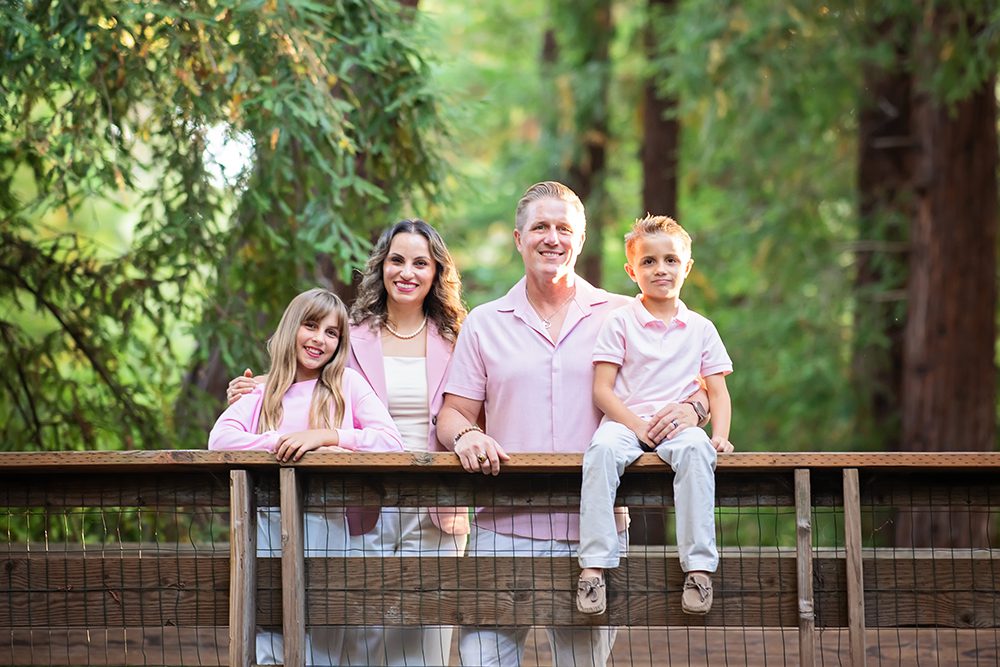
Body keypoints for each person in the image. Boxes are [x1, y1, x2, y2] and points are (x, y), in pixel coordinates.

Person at [435, 182, 710, 667]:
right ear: (519, 238)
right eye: (539, 227)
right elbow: (451, 413)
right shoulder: (484, 322)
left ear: (581, 240)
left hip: (595, 542)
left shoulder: (625, 314)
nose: (552, 238)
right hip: (503, 528)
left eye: (564, 228)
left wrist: (695, 410)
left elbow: (701, 383)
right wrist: (467, 434)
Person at [226, 220, 470, 666]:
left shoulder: (457, 337)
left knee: (427, 635)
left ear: (437, 272)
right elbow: (306, 374)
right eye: (397, 260)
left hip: (437, 500)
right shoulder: (352, 334)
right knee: (361, 631)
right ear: (381, 266)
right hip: (364, 497)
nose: (407, 272)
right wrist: (256, 386)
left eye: (421, 262)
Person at [210, 287, 404, 666]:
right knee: (269, 640)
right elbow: (221, 438)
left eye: (332, 333)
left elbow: (390, 442)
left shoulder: (347, 385)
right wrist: (283, 442)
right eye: (311, 325)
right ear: (290, 328)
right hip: (266, 527)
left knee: (324, 641)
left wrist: (326, 436)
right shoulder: (264, 391)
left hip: (328, 527)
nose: (319, 339)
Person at [575, 215, 734, 620]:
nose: (660, 269)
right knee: (600, 454)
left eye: (670, 260)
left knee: (698, 454)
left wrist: (721, 435)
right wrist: (638, 427)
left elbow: (717, 392)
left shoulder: (700, 328)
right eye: (648, 262)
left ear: (687, 267)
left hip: (679, 428)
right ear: (632, 271)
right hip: (626, 423)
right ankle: (594, 566)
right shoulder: (620, 323)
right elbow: (602, 391)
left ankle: (698, 568)